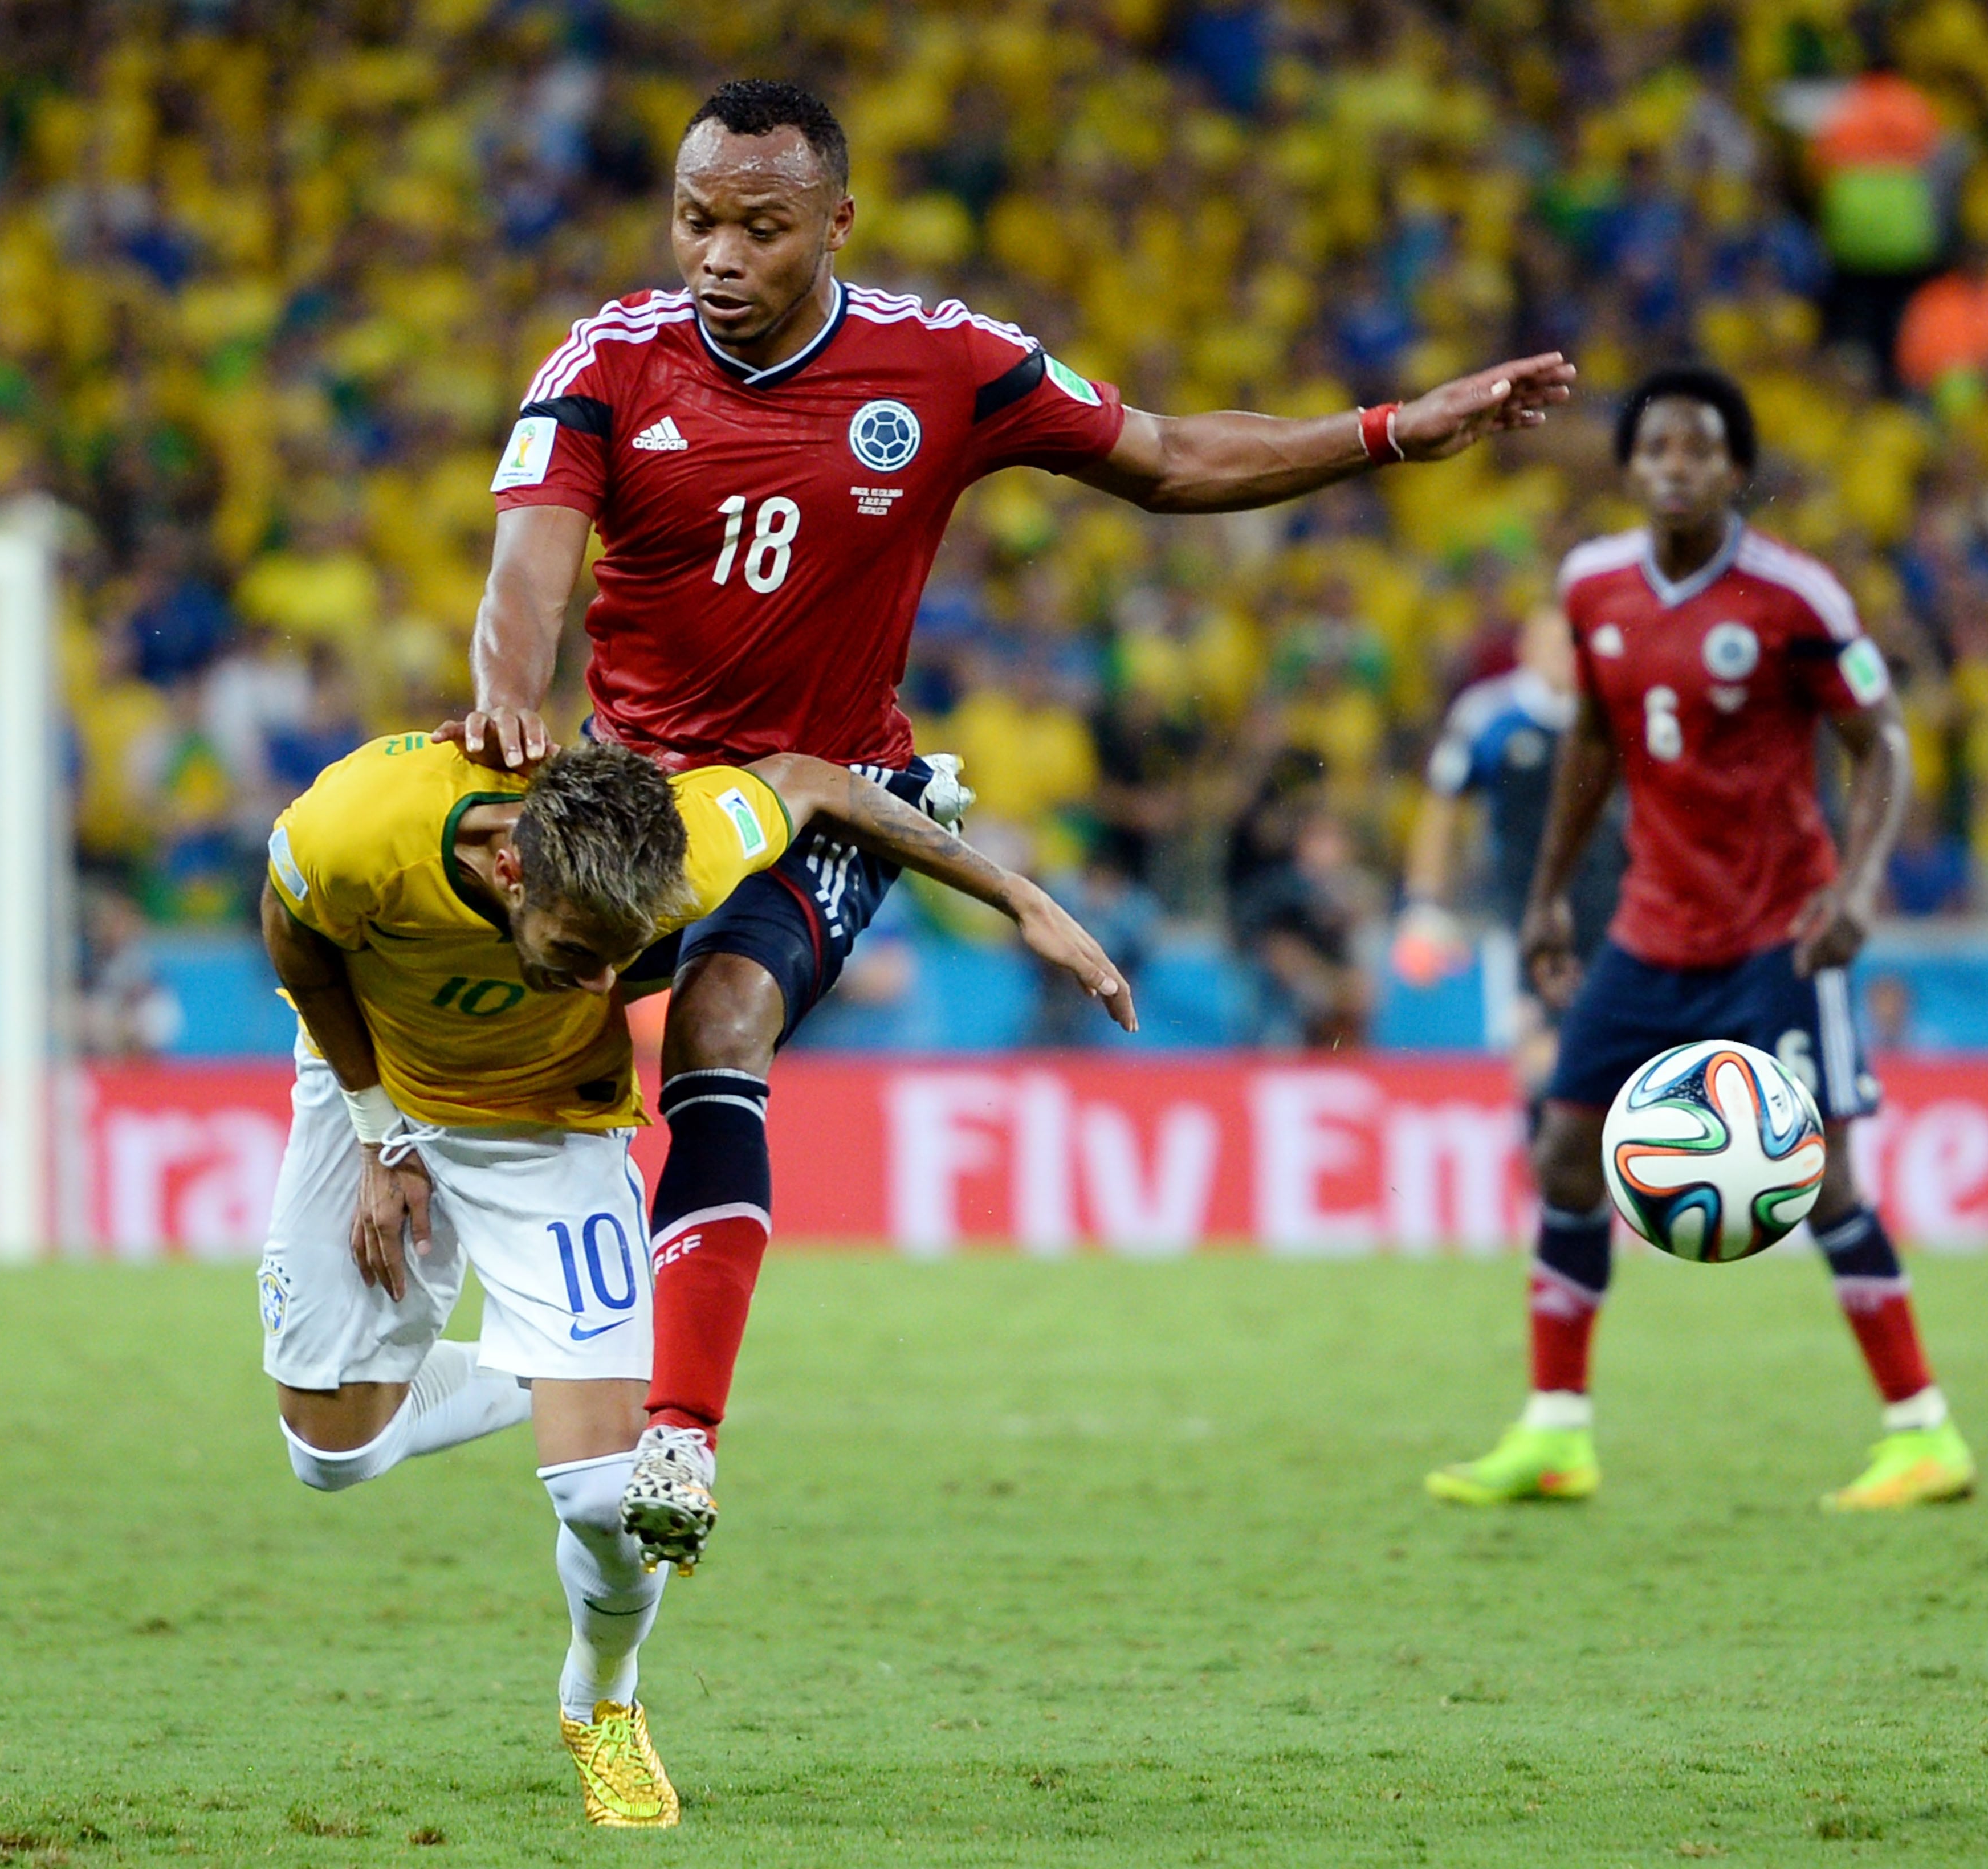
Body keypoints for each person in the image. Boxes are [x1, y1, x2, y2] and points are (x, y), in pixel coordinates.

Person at [445, 77, 1576, 1568]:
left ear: (836, 225)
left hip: (831, 800)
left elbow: (1167, 459)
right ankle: (433, 1272)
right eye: (694, 218)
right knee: (505, 1038)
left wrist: (1388, 431)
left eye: (760, 227)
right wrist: (509, 705)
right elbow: (524, 579)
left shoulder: (942, 362)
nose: (717, 254)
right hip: (637, 801)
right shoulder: (608, 360)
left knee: (722, 1024)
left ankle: (682, 1435)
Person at [257, 731, 1131, 1829]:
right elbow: (293, 933)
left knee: (608, 1500)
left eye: (620, 959)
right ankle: (559, 1372)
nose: (599, 983)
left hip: (551, 1130)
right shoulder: (361, 824)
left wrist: (1019, 898)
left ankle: (600, 1701)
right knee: (331, 1454)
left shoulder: (690, 839)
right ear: (512, 868)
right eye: (579, 952)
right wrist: (377, 1130)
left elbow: (814, 782)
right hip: (373, 1088)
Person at [1427, 366, 1976, 1514]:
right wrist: (1546, 896)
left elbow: (1882, 742)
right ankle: (1555, 1431)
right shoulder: (1593, 585)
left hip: (1782, 930)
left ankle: (1923, 1430)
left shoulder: (1795, 598)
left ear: (1736, 471)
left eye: (1700, 448)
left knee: (1822, 1176)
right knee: (1567, 1151)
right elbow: (1594, 740)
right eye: (1657, 448)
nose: (1677, 466)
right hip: (1650, 925)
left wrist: (1858, 887)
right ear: (1631, 469)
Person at [1395, 602, 1627, 1107]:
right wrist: (1424, 903)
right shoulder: (1489, 714)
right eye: (1553, 644)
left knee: (1614, 1056)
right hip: (1522, 914)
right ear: (1525, 650)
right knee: (1538, 1061)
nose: (1565, 656)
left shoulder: (1615, 709)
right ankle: (1544, 1154)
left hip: (1611, 910)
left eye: (1573, 645)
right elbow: (1443, 810)